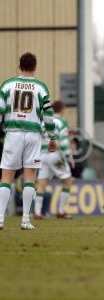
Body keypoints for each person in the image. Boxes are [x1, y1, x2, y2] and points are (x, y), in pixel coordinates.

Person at [0, 52, 56, 230]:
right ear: (35, 67)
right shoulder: (41, 87)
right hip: (33, 134)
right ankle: (25, 219)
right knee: (30, 177)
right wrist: (52, 137)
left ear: (20, 66)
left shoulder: (7, 85)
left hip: (13, 133)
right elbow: (48, 115)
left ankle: (0, 219)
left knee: (6, 176)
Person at [35, 101, 74, 220]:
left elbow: (37, 138)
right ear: (62, 110)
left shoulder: (43, 122)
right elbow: (63, 142)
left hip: (42, 155)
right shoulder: (61, 122)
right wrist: (69, 157)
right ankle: (61, 211)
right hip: (55, 155)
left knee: (41, 184)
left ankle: (37, 213)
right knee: (67, 181)